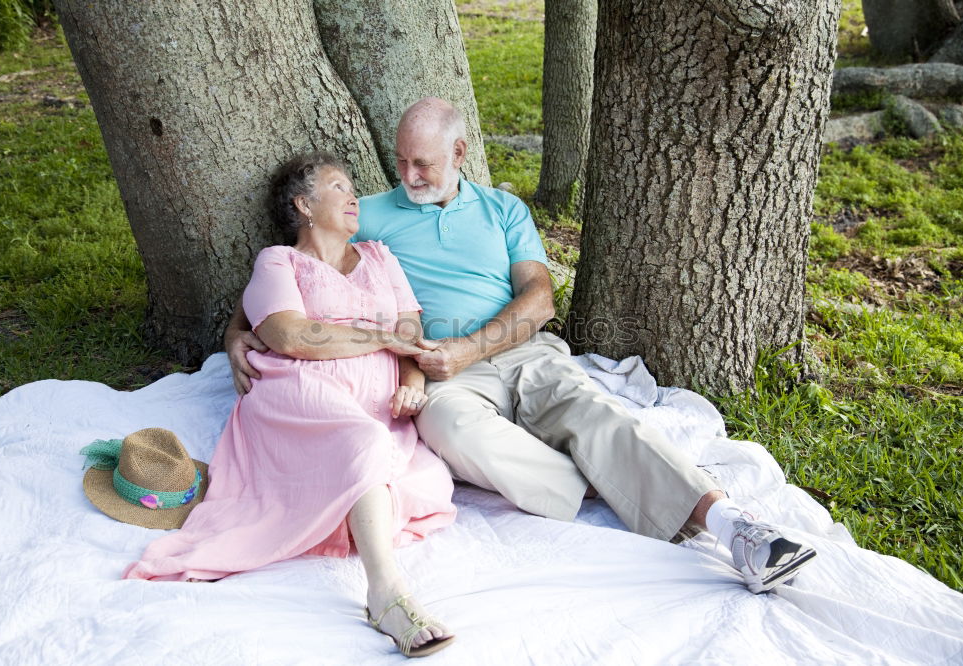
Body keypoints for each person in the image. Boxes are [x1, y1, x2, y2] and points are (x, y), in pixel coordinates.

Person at [226, 98, 816, 594]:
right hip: (441, 371)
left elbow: (539, 298)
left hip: (518, 352)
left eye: (424, 164)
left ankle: (734, 524)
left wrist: (472, 348)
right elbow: (289, 274)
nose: (408, 177)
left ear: (458, 155)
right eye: (402, 162)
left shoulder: (503, 208)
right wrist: (235, 335)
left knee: (592, 409)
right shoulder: (371, 215)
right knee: (451, 431)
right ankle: (614, 476)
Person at [126, 151, 457, 658]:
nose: (353, 197)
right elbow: (291, 336)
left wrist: (411, 379)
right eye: (339, 187)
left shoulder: (379, 257)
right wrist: (383, 337)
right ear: (303, 205)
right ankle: (387, 593)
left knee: (404, 468)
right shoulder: (278, 261)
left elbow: (411, 335)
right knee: (361, 442)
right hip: (297, 397)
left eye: (352, 188)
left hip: (376, 406)